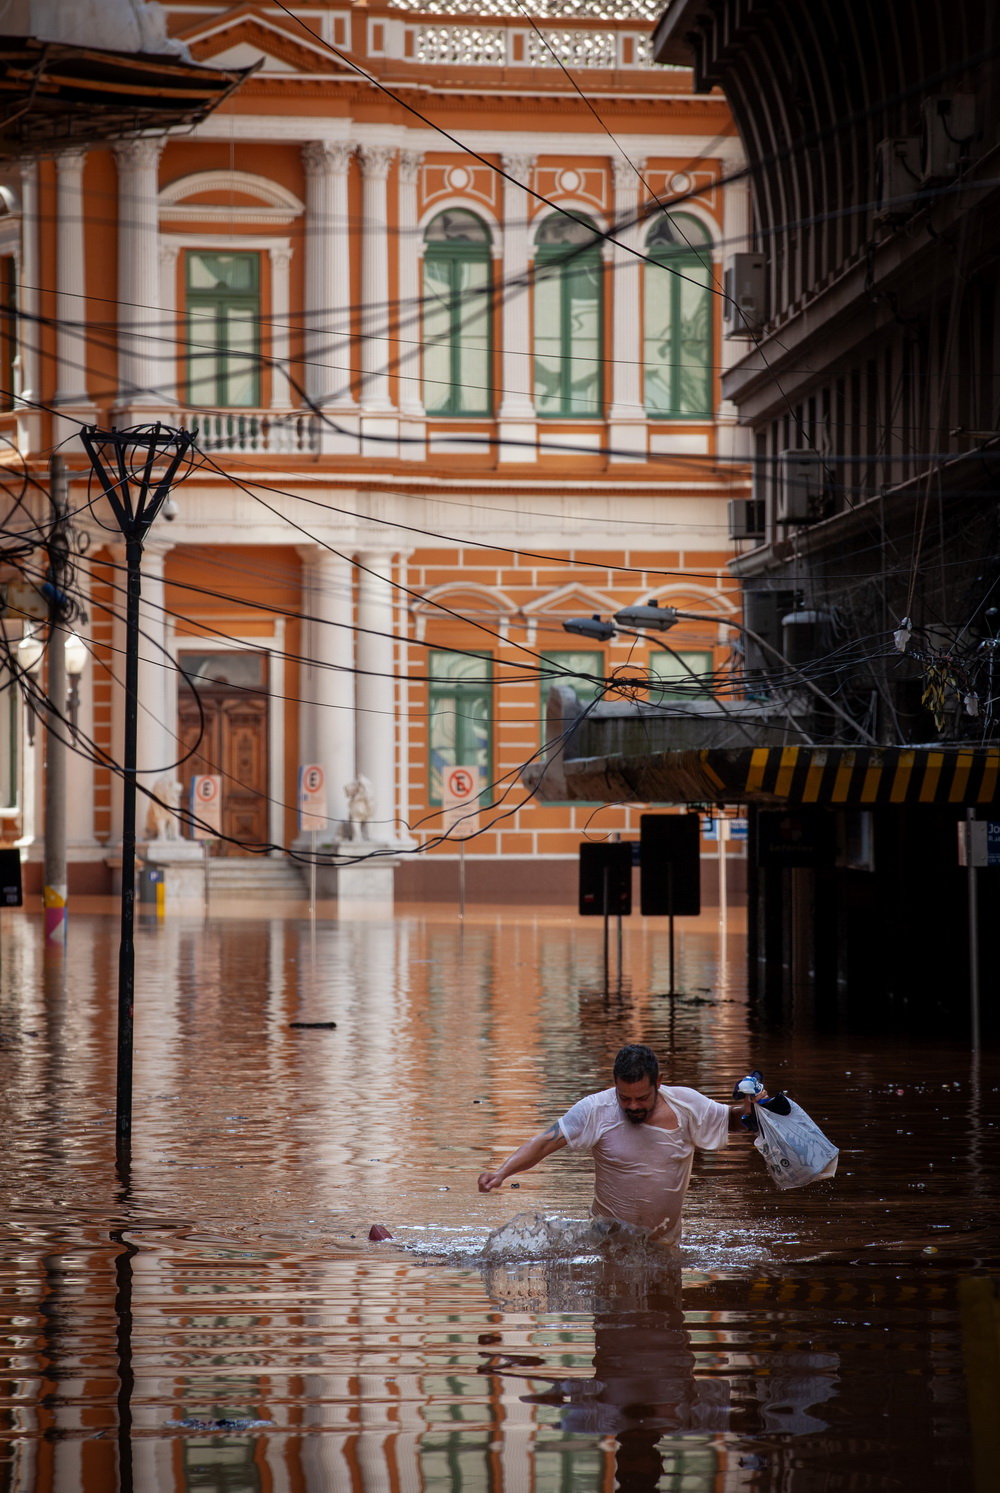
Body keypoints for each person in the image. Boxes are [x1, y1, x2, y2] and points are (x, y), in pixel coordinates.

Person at [477, 1043, 767, 1246]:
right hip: (607, 1245)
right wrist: (502, 1173)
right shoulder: (595, 1110)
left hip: (664, 1247)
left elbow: (733, 1120)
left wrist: (752, 1108)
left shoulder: (686, 1105)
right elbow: (543, 1143)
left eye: (641, 1098)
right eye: (624, 1097)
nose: (632, 1106)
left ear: (659, 1083)